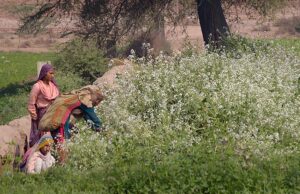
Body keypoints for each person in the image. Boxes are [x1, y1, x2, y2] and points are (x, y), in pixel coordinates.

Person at [27, 64, 60, 147]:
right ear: (44, 73)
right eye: (51, 73)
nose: (53, 76)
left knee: (56, 133)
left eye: (53, 73)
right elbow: (31, 103)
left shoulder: (53, 86)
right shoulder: (37, 86)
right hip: (42, 114)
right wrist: (34, 116)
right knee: (43, 135)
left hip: (53, 112)